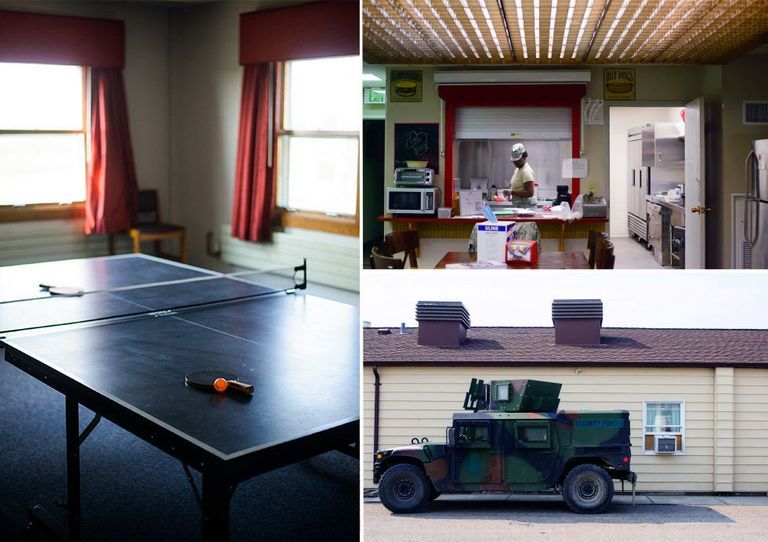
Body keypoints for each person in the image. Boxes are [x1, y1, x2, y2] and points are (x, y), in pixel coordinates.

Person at [509, 143, 536, 207]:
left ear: (524, 156)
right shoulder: (518, 170)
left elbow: (530, 193)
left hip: (525, 207)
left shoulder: (526, 171)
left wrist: (512, 193)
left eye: (517, 160)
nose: (515, 162)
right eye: (514, 161)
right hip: (520, 206)